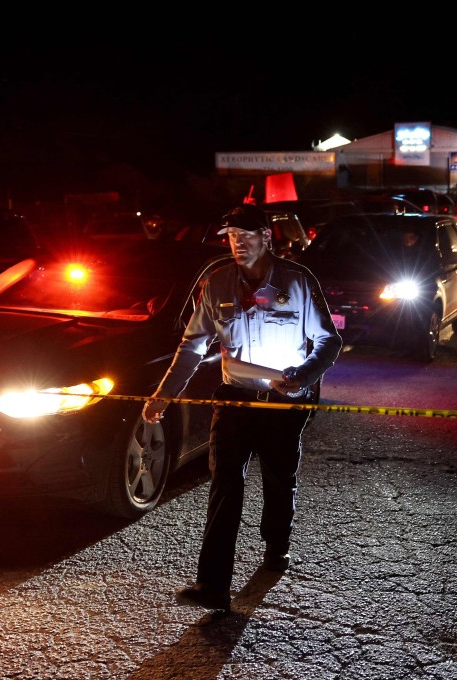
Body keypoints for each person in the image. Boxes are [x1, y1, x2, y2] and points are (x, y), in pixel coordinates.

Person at [142, 204, 342, 611]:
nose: (238, 244)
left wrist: (301, 376)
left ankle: (276, 546)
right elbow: (192, 347)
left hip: (283, 404)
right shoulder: (216, 284)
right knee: (224, 485)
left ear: (267, 237)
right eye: (232, 237)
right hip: (234, 401)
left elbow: (329, 342)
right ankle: (213, 585)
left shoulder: (298, 282)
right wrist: (163, 395)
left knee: (278, 480)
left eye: (246, 236)